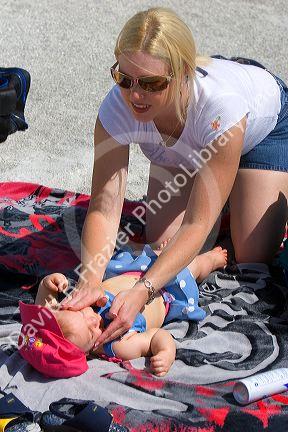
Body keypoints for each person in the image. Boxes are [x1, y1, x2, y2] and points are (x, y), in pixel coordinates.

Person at [61, 7, 288, 348]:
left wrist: (144, 290)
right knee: (161, 243)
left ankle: (235, 185)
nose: (135, 95)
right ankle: (222, 187)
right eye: (125, 79)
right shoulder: (117, 107)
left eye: (151, 83)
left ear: (182, 72)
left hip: (257, 131)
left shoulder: (220, 107)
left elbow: (197, 224)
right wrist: (90, 279)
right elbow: (104, 208)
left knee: (252, 253)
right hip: (185, 147)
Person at [18, 245, 227, 378]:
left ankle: (163, 251)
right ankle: (210, 259)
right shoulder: (119, 345)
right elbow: (156, 336)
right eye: (92, 332)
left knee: (159, 248)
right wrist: (166, 352)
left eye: (81, 313)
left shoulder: (76, 311)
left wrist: (48, 283)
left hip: (133, 269)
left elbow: (44, 311)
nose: (92, 318)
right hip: (168, 290)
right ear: (87, 352)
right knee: (192, 266)